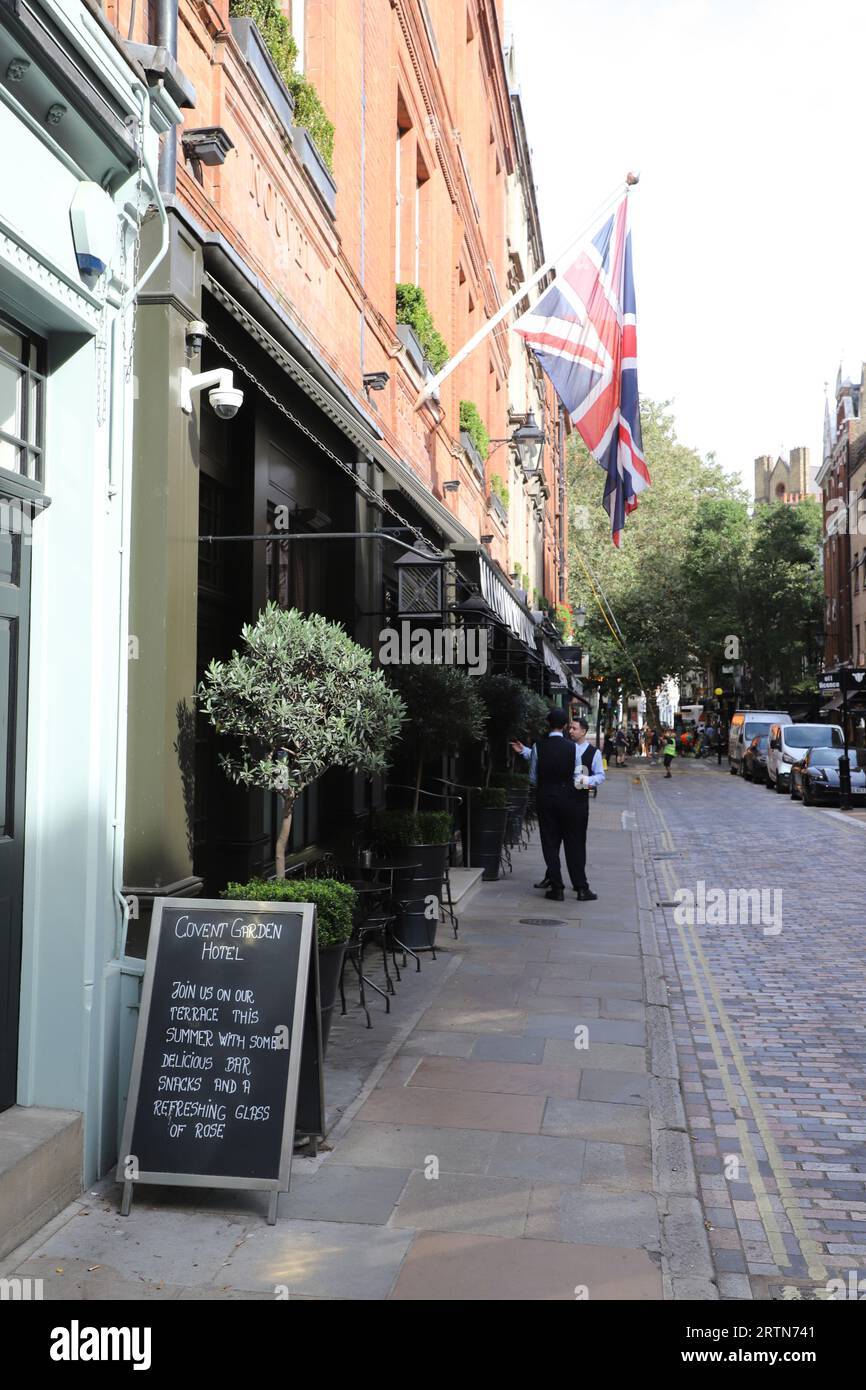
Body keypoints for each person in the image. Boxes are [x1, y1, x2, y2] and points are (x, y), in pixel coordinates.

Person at [511, 711, 604, 901]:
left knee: (550, 844)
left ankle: (557, 887)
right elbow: (577, 777)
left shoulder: (539, 746)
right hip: (570, 801)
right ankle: (581, 888)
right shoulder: (573, 749)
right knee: (575, 844)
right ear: (563, 726)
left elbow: (533, 777)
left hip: (546, 799)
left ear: (548, 724)